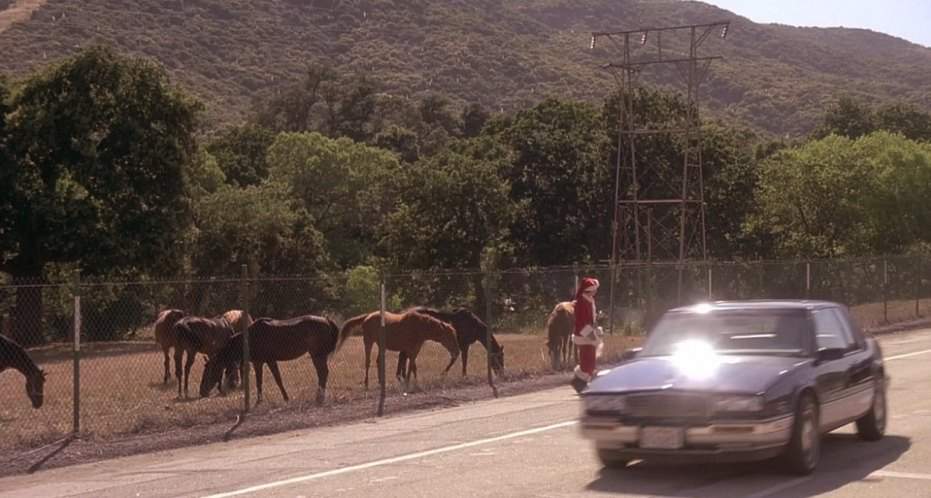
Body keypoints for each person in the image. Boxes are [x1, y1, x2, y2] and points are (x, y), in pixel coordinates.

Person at [570, 277, 604, 394]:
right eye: (594, 290)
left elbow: (591, 319)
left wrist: (595, 329)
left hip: (588, 332)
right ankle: (578, 382)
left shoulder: (589, 300)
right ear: (589, 290)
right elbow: (583, 322)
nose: (595, 292)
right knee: (587, 361)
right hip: (584, 334)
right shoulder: (581, 302)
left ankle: (581, 381)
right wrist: (592, 335)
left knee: (590, 361)